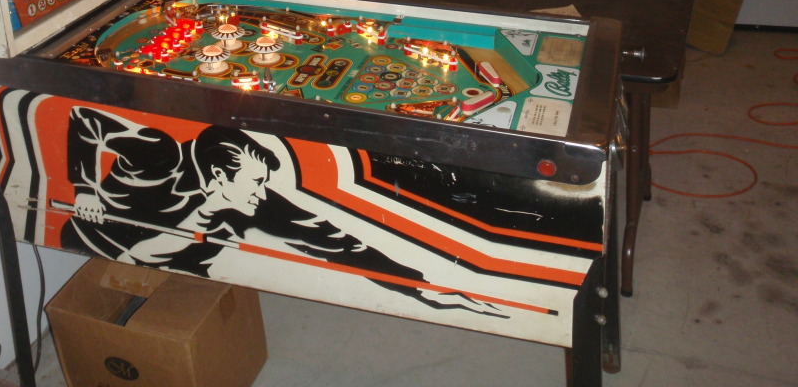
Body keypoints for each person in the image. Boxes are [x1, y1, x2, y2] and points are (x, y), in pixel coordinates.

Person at [59, 107, 506, 316]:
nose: (261, 193)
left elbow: (335, 241)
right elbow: (84, 119)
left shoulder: (246, 197)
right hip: (96, 235)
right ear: (220, 173)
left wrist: (423, 288)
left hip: (164, 250)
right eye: (255, 182)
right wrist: (84, 188)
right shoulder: (158, 152)